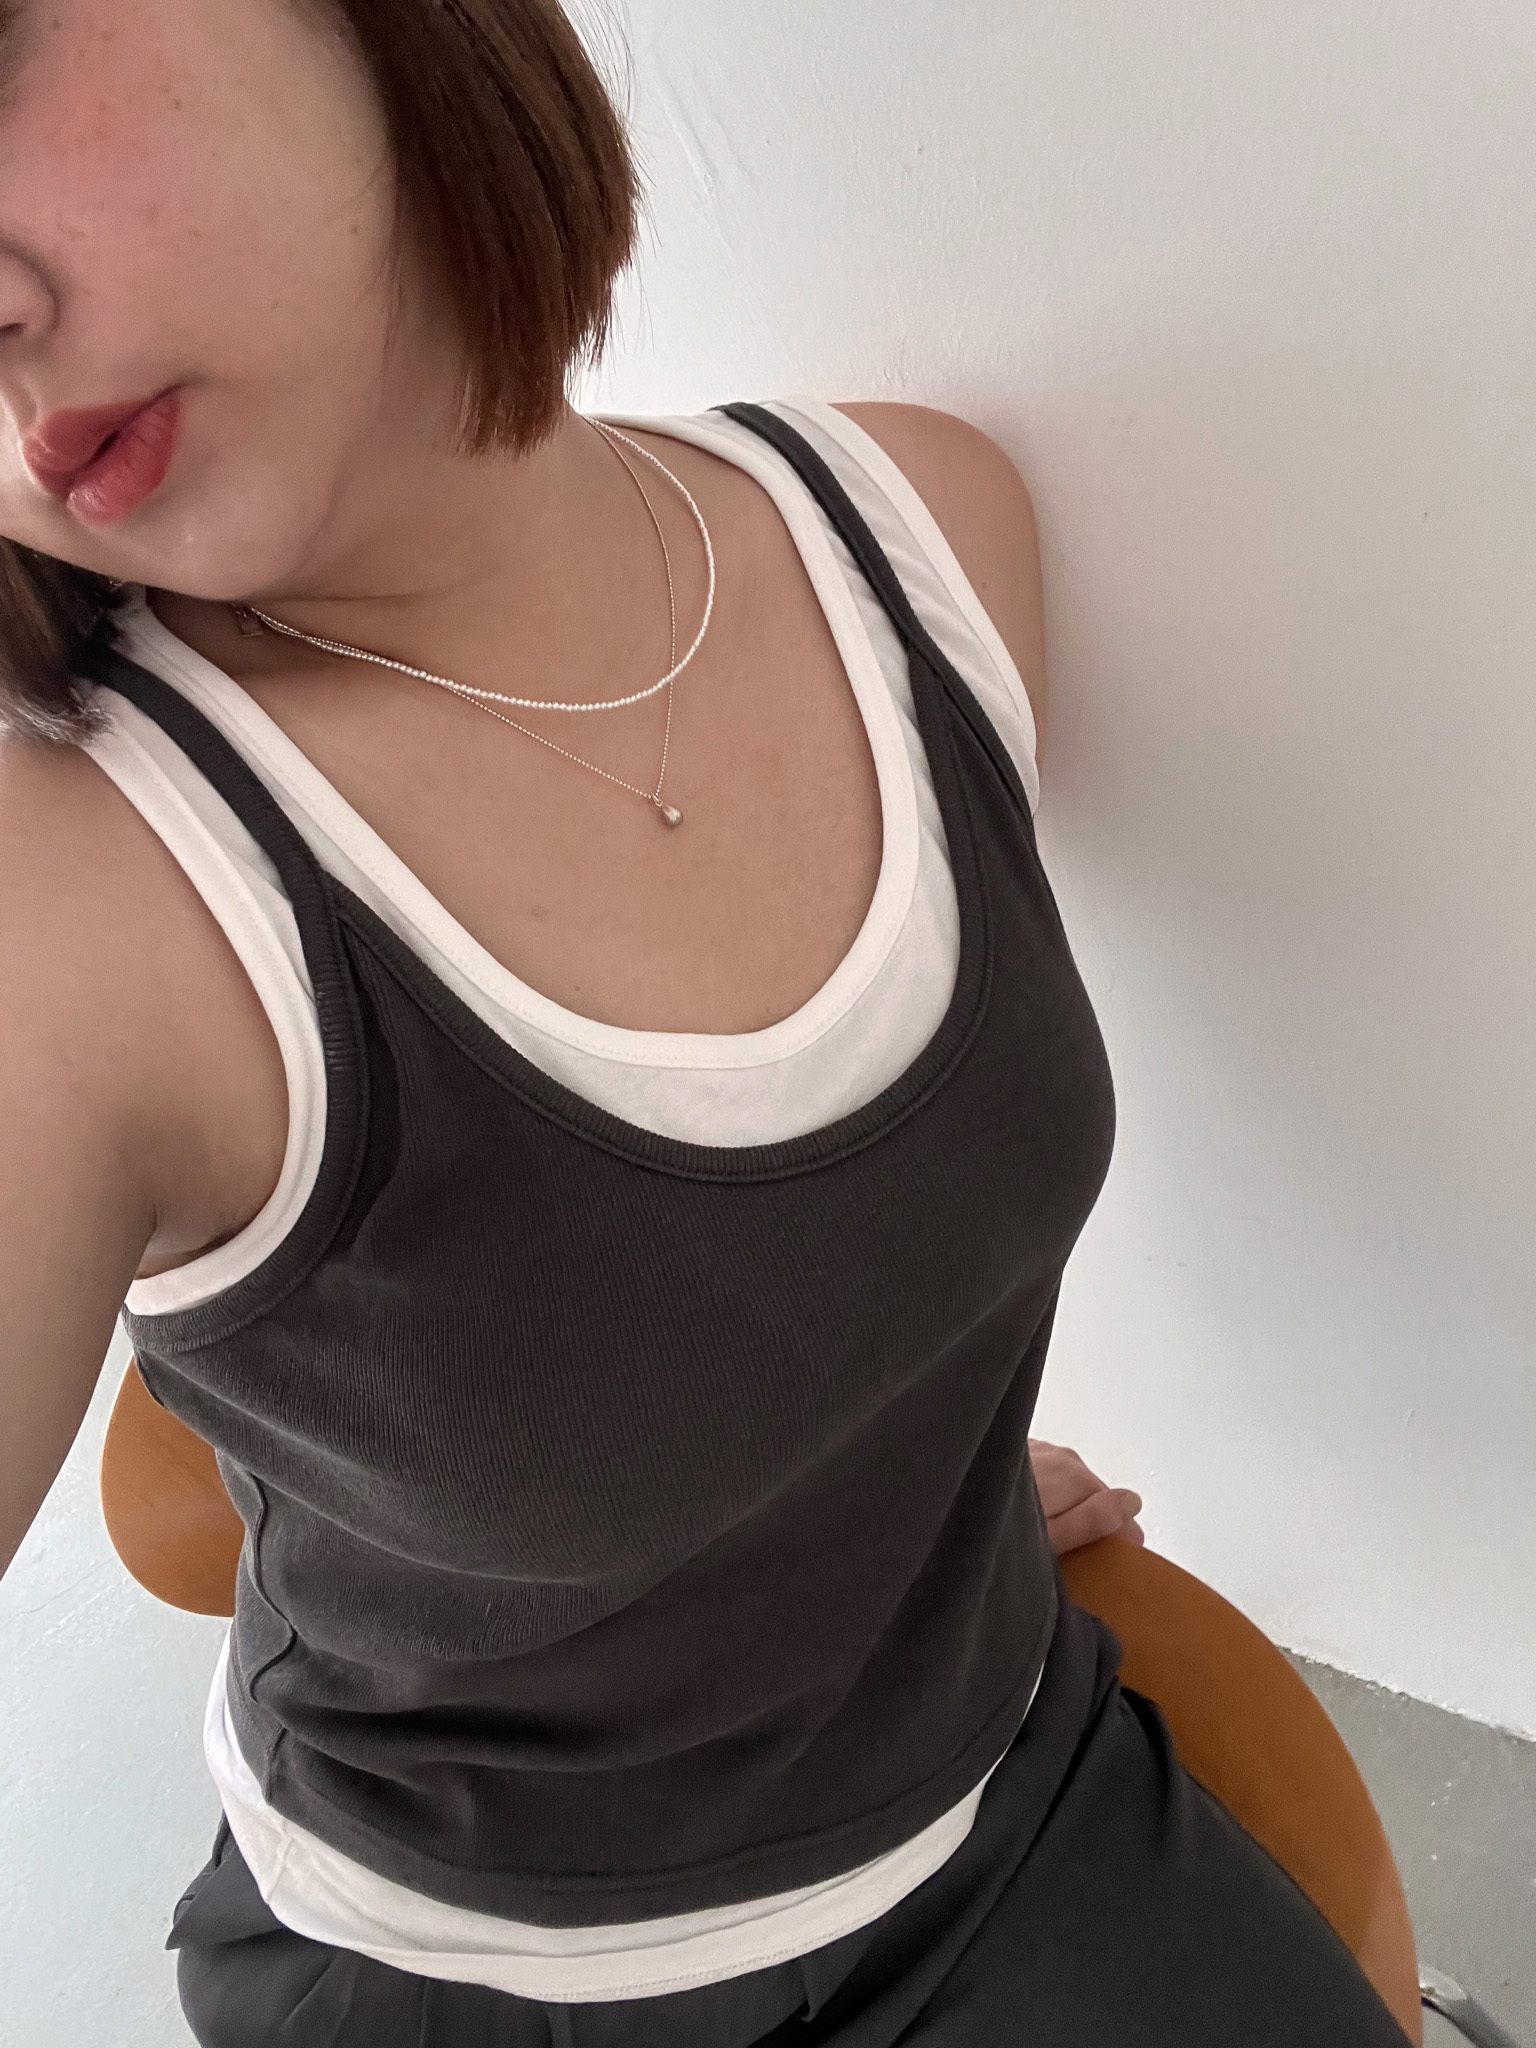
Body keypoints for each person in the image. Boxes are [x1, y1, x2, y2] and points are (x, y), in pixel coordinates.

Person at [0, 3, 1412, 2044]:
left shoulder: (925, 540)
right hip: (462, 1976)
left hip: (1005, 1803)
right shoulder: (71, 904)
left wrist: (871, 1509)